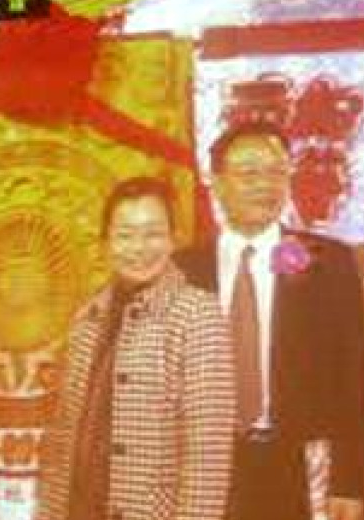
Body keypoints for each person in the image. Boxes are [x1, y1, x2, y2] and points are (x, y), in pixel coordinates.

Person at [177, 122, 364, 520]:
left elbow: (353, 377)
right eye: (248, 173)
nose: (264, 185)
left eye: (276, 172)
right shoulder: (183, 268)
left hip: (298, 464)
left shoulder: (329, 262)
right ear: (217, 183)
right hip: (204, 465)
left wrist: (351, 481)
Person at [37, 176, 236, 520]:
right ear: (106, 242)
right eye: (125, 235)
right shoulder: (88, 316)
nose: (139, 248)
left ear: (174, 239)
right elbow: (64, 435)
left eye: (153, 234)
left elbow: (207, 458)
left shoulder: (196, 315)